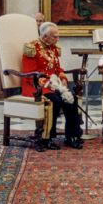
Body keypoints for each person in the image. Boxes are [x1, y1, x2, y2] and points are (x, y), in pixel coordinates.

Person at [21, 22, 83, 151]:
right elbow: (29, 74)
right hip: (35, 86)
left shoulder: (52, 47)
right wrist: (49, 84)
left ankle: (72, 136)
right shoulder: (32, 48)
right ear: (44, 37)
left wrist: (62, 78)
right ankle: (47, 137)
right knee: (55, 100)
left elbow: (57, 68)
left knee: (71, 99)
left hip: (53, 85)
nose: (57, 39)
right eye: (55, 36)